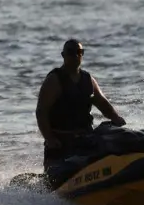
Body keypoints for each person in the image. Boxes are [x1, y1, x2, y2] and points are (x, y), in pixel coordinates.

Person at [35, 39, 126, 167]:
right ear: (63, 55)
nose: (76, 55)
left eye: (79, 52)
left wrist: (116, 118)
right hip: (61, 142)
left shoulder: (88, 79)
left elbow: (103, 103)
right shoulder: (54, 80)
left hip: (85, 139)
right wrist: (49, 139)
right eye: (71, 52)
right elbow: (41, 112)